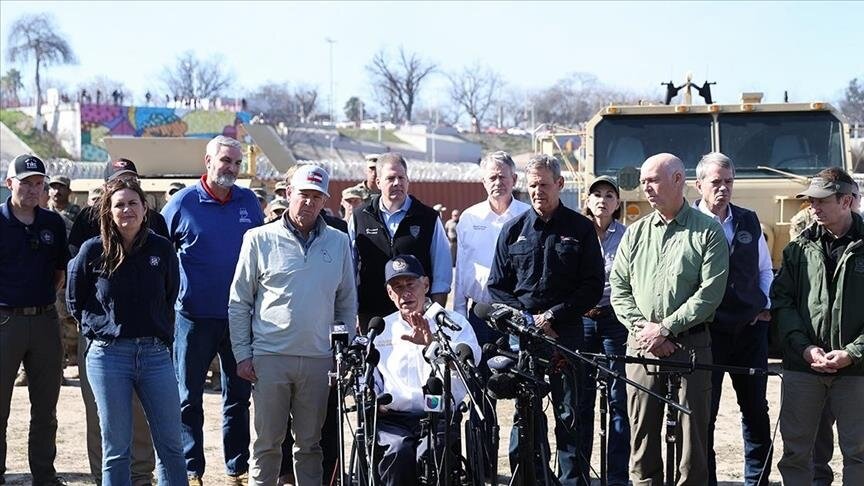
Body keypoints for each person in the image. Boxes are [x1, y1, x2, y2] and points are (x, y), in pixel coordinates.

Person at [229, 164, 357, 485]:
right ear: (289, 195)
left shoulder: (339, 242)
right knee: (267, 444)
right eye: (304, 195)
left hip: (318, 360)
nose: (310, 203)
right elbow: (240, 301)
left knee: (311, 446)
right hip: (270, 358)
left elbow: (346, 303)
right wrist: (243, 354)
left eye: (317, 197)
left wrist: (341, 356)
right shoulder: (258, 239)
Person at [610, 153, 729, 486]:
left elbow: (710, 293)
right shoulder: (634, 234)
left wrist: (665, 328)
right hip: (642, 348)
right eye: (644, 181)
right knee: (642, 434)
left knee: (693, 441)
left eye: (652, 180)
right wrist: (646, 331)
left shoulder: (708, 232)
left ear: (678, 180)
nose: (645, 187)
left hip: (690, 346)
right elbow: (619, 289)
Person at [487, 154, 605, 484]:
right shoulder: (513, 231)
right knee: (526, 414)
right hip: (523, 338)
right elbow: (497, 285)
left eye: (544, 184)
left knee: (571, 415)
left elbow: (592, 285)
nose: (538, 191)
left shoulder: (580, 229)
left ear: (560, 185)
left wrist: (553, 316)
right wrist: (527, 319)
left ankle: (571, 480)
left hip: (566, 335)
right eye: (533, 185)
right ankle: (530, 477)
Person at [66, 179, 186, 485]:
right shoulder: (92, 250)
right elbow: (74, 297)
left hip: (155, 356)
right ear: (109, 211)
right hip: (108, 357)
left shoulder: (162, 248)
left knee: (171, 445)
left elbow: (169, 294)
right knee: (116, 447)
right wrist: (97, 328)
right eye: (119, 204)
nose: (127, 210)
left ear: (145, 209)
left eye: (133, 203)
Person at [161, 135, 264, 485]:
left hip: (239, 317)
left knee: (238, 397)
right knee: (188, 398)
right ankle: (191, 470)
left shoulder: (249, 203)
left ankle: (237, 468)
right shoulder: (181, 204)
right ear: (208, 161)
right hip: (193, 317)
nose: (231, 168)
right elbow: (159, 254)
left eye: (236, 163)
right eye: (225, 161)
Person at [772, 167, 864, 485]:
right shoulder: (798, 249)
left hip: (857, 371)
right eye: (811, 200)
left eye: (822, 200)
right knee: (797, 454)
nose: (814, 207)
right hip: (803, 368)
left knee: (859, 455)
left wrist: (852, 353)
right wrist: (804, 347)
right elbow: (782, 303)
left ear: (846, 201)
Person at [690, 153, 774, 486]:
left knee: (755, 411)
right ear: (699, 185)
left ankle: (757, 481)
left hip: (749, 333)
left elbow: (764, 268)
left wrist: (764, 305)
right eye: (715, 182)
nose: (723, 188)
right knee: (704, 416)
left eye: (728, 182)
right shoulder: (687, 223)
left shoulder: (748, 220)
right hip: (706, 334)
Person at [453, 150, 529, 477]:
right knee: (481, 395)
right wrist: (458, 317)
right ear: (483, 180)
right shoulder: (469, 218)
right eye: (492, 176)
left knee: (523, 394)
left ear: (514, 179)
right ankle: (483, 468)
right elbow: (461, 270)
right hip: (479, 318)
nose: (498, 182)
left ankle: (521, 467)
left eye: (503, 176)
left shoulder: (528, 215)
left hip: (516, 319)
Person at [374, 254, 480, 486]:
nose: (405, 293)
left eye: (410, 284)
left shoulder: (454, 323)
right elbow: (369, 376)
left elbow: (469, 366)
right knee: (398, 452)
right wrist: (373, 399)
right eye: (397, 287)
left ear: (426, 284)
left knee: (429, 455)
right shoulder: (382, 329)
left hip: (438, 415)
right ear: (390, 294)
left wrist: (431, 344)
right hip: (394, 419)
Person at [0, 154, 70, 486]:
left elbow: (59, 274)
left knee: (46, 407)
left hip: (43, 321)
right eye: (26, 182)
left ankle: (44, 474)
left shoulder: (52, 223)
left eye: (38, 183)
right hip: (4, 322)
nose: (33, 189)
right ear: (8, 183)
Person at [349, 152, 452, 332]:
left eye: (401, 177)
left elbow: (442, 272)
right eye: (390, 178)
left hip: (417, 314)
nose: (397, 183)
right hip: (373, 316)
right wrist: (352, 311)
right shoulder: (360, 217)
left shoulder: (427, 218)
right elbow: (349, 268)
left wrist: (435, 314)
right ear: (378, 183)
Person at [577, 175, 631, 486]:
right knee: (581, 398)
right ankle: (580, 474)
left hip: (614, 320)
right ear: (587, 201)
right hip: (581, 320)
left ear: (618, 203)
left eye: (609, 195)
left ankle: (617, 477)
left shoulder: (627, 235)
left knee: (618, 398)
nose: (602, 200)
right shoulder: (575, 232)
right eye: (596, 194)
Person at [69, 159, 170, 256]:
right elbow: (74, 255)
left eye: (131, 181)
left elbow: (167, 258)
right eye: (118, 182)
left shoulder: (155, 219)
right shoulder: (88, 217)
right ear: (105, 187)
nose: (126, 185)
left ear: (139, 184)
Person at [47, 175, 81, 374]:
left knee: (70, 320)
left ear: (69, 191)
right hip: (49, 273)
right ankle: (58, 367)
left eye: (62, 187)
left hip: (69, 273)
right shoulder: (41, 213)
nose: (57, 191)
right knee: (54, 324)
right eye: (53, 187)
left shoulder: (75, 214)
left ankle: (75, 359)